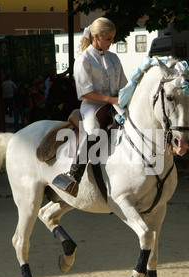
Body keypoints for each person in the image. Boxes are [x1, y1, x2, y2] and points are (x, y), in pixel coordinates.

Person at [52, 17, 127, 196]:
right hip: (92, 105)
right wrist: (111, 100)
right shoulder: (83, 60)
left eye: (113, 37)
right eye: (108, 38)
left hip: (116, 103)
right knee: (93, 131)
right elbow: (84, 92)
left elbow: (123, 84)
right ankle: (73, 176)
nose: (112, 42)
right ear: (96, 36)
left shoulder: (114, 58)